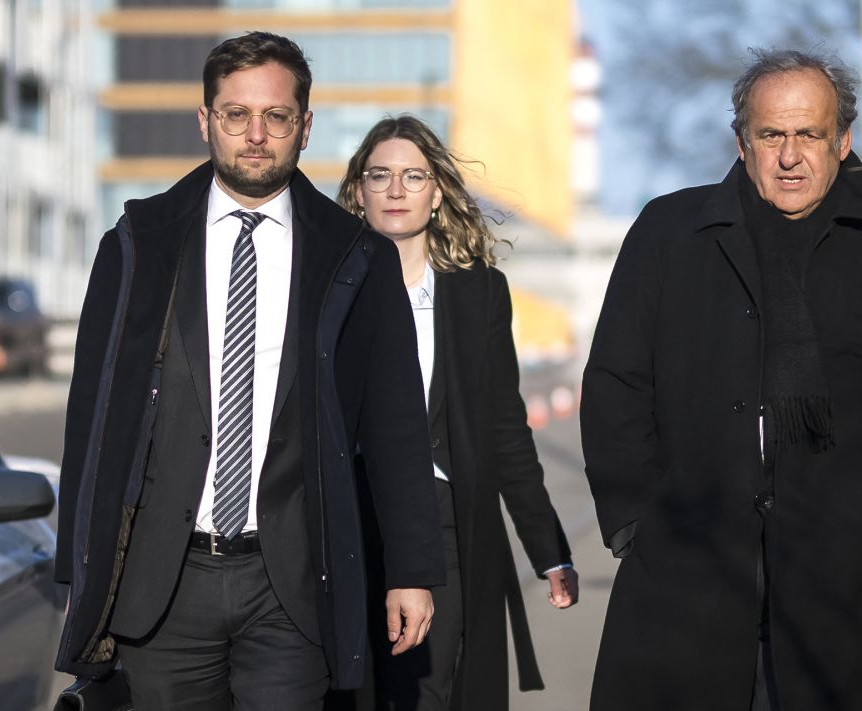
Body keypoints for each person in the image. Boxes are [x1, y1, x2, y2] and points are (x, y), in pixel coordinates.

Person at [53, 33, 445, 710]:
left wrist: (411, 569)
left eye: (276, 116)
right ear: (205, 121)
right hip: (161, 585)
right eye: (236, 115)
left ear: (305, 126)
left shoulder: (355, 256)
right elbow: (91, 411)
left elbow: (397, 423)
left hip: (290, 581)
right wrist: (78, 570)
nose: (255, 135)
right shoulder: (138, 243)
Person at [581, 48, 862, 711]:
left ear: (841, 140)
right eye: (771, 135)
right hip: (686, 558)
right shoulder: (670, 233)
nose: (791, 155)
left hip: (829, 569)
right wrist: (635, 521)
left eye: (809, 134)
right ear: (742, 141)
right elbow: (616, 380)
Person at [335, 115, 579, 711]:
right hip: (341, 519)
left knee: (427, 691)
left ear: (437, 192)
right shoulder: (323, 292)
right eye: (380, 175)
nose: (396, 190)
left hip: (441, 522)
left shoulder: (478, 294)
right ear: (358, 191)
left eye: (413, 176)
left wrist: (547, 547)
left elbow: (503, 428)